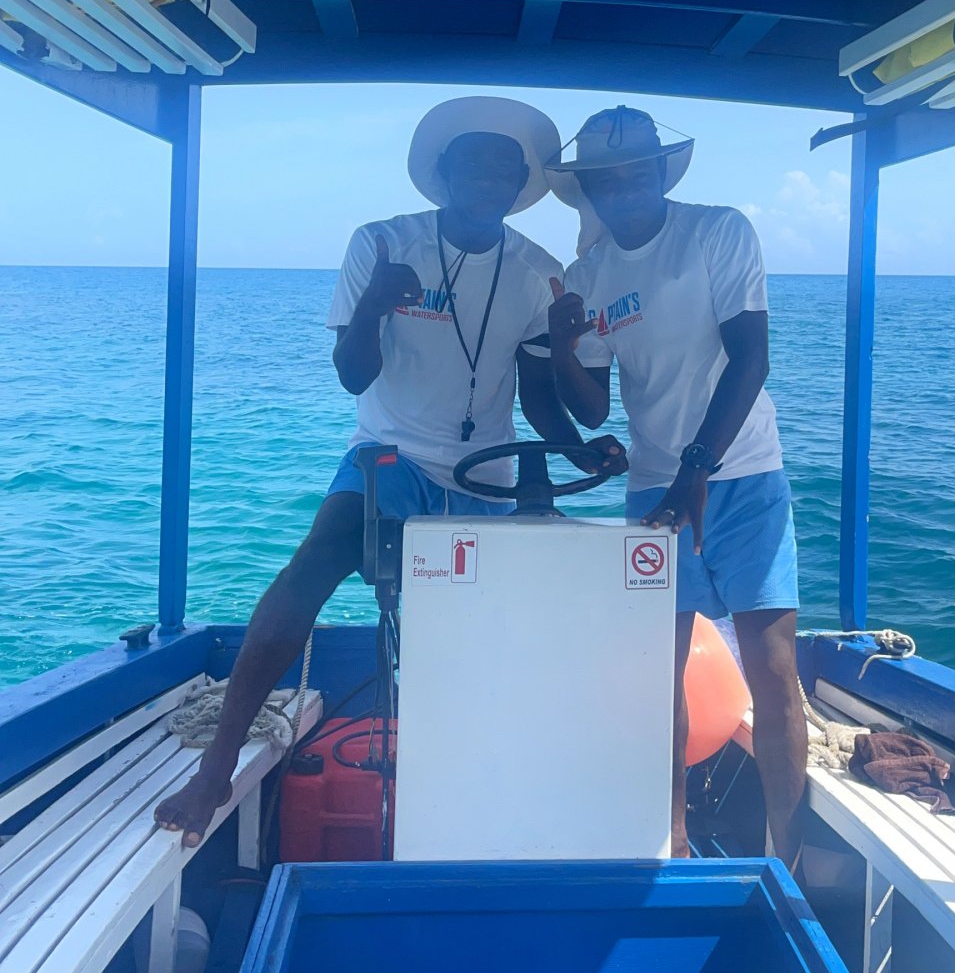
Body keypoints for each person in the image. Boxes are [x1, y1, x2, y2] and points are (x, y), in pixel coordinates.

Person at [155, 96, 623, 847]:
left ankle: (507, 771)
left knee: (502, 623)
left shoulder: (541, 272)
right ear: (439, 176)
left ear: (520, 183)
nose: (490, 176)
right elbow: (351, 375)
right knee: (315, 560)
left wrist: (577, 450)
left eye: (506, 166)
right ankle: (215, 763)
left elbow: (538, 397)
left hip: (484, 474)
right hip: (391, 456)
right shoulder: (379, 243)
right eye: (473, 161)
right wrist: (375, 302)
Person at [544, 107, 807, 869]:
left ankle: (787, 856)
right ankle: (674, 840)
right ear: (588, 187)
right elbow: (592, 405)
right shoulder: (590, 275)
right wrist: (563, 349)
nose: (625, 189)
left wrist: (697, 471)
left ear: (662, 173)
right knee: (656, 676)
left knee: (773, 665)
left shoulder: (718, 232)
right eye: (608, 179)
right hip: (656, 490)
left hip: (743, 471)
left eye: (639, 173)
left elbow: (750, 360)